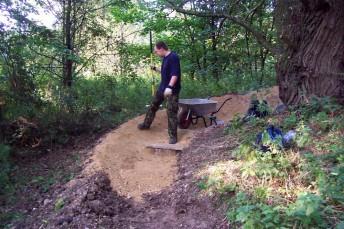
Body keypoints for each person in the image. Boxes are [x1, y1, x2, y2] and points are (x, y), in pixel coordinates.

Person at [137, 41, 181, 144]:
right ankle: (146, 124)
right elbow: (165, 71)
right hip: (162, 88)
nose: (156, 53)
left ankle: (173, 136)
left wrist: (170, 87)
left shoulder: (173, 57)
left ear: (161, 49)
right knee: (153, 105)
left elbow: (175, 75)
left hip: (172, 90)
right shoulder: (165, 58)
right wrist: (155, 69)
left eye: (156, 51)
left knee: (171, 112)